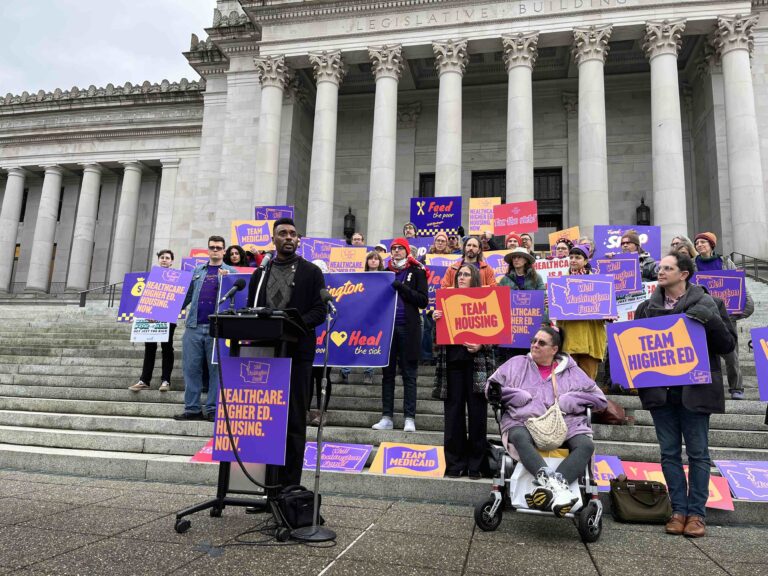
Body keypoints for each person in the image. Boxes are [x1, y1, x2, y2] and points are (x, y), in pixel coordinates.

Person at [634, 253, 736, 538]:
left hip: (697, 391)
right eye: (660, 267)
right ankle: (678, 511)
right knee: (668, 453)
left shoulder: (710, 303)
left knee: (698, 454)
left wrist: (711, 320)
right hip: (661, 394)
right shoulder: (645, 308)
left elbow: (727, 345)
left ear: (684, 274)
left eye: (668, 267)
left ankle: (697, 515)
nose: (661, 271)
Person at [486, 325, 607, 517]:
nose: (535, 345)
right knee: (518, 435)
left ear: (554, 349)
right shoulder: (516, 363)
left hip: (565, 423)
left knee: (585, 445)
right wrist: (514, 395)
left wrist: (572, 400)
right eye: (534, 341)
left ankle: (551, 490)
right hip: (524, 420)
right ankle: (558, 491)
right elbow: (490, 388)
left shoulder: (572, 371)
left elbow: (600, 399)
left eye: (541, 343)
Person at [247, 218, 326, 487]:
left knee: (293, 423)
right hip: (265, 355)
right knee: (267, 423)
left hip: (298, 355)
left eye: (294, 234)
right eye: (283, 233)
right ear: (274, 239)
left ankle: (289, 488)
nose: (290, 237)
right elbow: (251, 310)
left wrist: (293, 324)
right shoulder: (260, 274)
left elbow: (320, 311)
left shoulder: (311, 272)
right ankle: (266, 486)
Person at [433, 264, 494, 479]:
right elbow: (438, 337)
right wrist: (436, 320)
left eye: (466, 275)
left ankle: (476, 465)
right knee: (453, 416)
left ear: (475, 278)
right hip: (451, 363)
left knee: (477, 416)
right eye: (459, 275)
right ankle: (455, 465)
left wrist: (481, 345)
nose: (461, 277)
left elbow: (496, 330)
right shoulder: (446, 299)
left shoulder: (485, 299)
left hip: (476, 365)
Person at [174, 236, 236, 421]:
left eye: (218, 248)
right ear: (208, 250)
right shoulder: (196, 271)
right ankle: (192, 408)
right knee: (191, 369)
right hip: (193, 326)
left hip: (217, 328)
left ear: (224, 251)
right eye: (212, 247)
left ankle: (212, 409)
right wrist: (162, 312)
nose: (215, 250)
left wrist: (228, 281)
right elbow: (185, 297)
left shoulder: (231, 272)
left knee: (215, 369)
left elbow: (236, 301)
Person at [372, 237, 428, 432]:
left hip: (408, 326)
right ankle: (387, 416)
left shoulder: (417, 271)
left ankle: (409, 417)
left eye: (400, 248)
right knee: (387, 374)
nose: (396, 251)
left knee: (409, 373)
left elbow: (423, 301)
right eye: (393, 249)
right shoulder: (385, 273)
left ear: (406, 251)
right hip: (387, 328)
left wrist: (402, 287)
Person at [693, 231, 754, 400]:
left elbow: (739, 288)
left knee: (731, 354)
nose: (699, 245)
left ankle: (736, 387)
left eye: (703, 242)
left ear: (712, 245)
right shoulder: (692, 264)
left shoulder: (726, 262)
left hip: (726, 315)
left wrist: (736, 313)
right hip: (703, 314)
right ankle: (706, 388)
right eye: (697, 243)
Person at [557, 244, 607, 381]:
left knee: (588, 380)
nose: (573, 260)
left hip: (591, 337)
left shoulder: (599, 282)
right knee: (567, 380)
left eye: (577, 257)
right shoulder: (559, 282)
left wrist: (609, 314)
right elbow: (555, 312)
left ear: (585, 261)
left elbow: (606, 308)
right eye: (571, 257)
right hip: (569, 338)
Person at [130, 249, 177, 393]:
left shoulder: (176, 278)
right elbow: (142, 297)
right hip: (149, 319)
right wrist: (143, 314)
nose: (164, 259)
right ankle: (144, 380)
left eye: (167, 258)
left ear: (171, 261)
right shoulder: (149, 277)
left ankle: (165, 380)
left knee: (167, 348)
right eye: (162, 257)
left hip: (168, 318)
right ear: (158, 260)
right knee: (149, 348)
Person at [340, 250, 382, 385]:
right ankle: (344, 371)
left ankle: (369, 373)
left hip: (375, 316)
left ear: (380, 262)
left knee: (371, 344)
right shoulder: (359, 277)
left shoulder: (385, 277)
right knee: (351, 341)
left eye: (376, 259)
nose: (374, 261)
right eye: (371, 258)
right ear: (367, 261)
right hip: (358, 314)